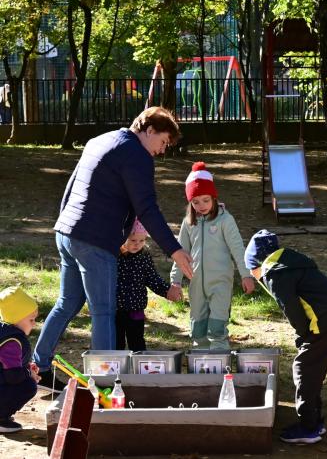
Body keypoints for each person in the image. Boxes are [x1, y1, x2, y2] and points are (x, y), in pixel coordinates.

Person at [34, 107, 194, 392]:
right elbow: (147, 208)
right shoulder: (137, 155)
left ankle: (39, 367)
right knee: (104, 312)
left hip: (68, 233)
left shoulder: (101, 140)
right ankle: (105, 387)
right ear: (149, 130)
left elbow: (72, 187)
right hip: (94, 242)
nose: (162, 150)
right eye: (163, 142)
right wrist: (175, 250)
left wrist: (64, 224)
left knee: (66, 303)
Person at [244, 230, 327, 445]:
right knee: (313, 368)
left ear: (257, 263)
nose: (253, 275)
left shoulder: (274, 272)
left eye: (251, 270)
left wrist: (303, 334)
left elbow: (291, 309)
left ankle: (308, 427)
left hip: (324, 322)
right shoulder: (291, 263)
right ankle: (315, 420)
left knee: (303, 367)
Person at [170, 162, 255, 350]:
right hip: (196, 283)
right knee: (198, 328)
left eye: (206, 200)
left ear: (214, 198)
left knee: (217, 327)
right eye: (196, 202)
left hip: (220, 283)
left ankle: (219, 366)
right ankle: (201, 367)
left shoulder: (225, 220)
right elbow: (180, 252)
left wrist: (246, 275)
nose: (201, 206)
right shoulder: (188, 223)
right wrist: (175, 281)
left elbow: (238, 249)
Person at [116, 220, 183, 351]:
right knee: (116, 343)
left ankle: (140, 368)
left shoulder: (144, 257)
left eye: (141, 241)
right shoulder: (114, 256)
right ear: (123, 238)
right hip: (115, 310)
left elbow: (152, 278)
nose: (137, 244)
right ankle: (118, 369)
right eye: (133, 240)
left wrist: (167, 291)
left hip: (136, 309)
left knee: (137, 343)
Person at [0, 287, 40, 433]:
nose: (34, 324)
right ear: (17, 318)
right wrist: (29, 374)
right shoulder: (12, 342)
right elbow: (14, 377)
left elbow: (9, 365)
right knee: (28, 386)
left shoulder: (6, 333)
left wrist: (27, 366)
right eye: (31, 319)